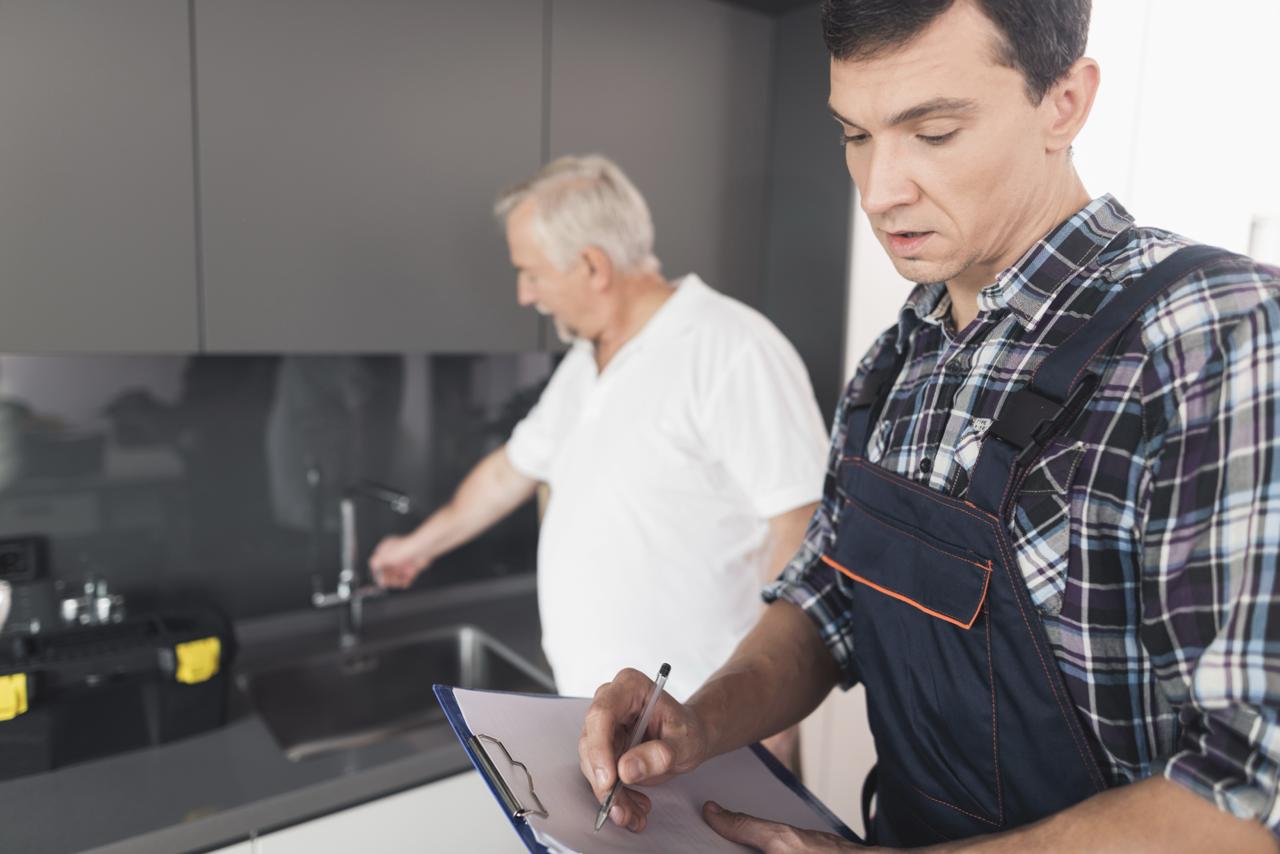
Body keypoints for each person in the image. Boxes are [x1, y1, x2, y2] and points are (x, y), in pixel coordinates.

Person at [578, 1, 1280, 850]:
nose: (880, 192)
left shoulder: (1219, 336)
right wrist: (698, 719)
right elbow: (826, 599)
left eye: (934, 133)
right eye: (855, 135)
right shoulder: (897, 358)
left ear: (1065, 102)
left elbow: (1244, 801)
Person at [370, 154, 828, 763]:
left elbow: (800, 529)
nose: (524, 293)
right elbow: (512, 471)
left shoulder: (731, 349)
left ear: (592, 265)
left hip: (705, 740)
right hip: (603, 733)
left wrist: (769, 722)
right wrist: (416, 547)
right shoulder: (586, 365)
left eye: (530, 273)